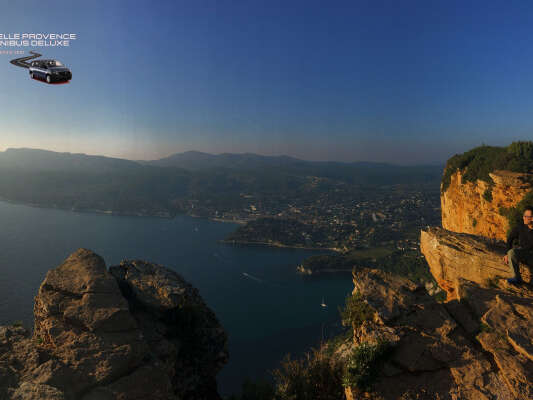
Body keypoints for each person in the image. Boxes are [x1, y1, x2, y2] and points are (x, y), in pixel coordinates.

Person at [503, 206, 533, 285]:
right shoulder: (520, 227)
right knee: (511, 252)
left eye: (526, 216)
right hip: (523, 253)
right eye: (524, 216)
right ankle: (516, 278)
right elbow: (510, 238)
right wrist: (506, 253)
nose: (524, 218)